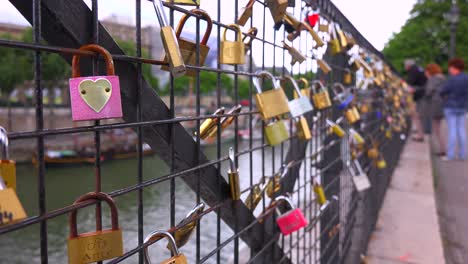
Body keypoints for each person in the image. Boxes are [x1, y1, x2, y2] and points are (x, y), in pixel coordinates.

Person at [439, 58, 468, 161]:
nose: (449, 70)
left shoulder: (452, 79)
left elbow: (442, 91)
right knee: (461, 130)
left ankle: (450, 155)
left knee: (452, 131)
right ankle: (462, 155)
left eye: (450, 67)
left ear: (454, 68)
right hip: (463, 107)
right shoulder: (466, 78)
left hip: (451, 106)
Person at [425, 64, 446, 156]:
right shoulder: (442, 78)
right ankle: (443, 148)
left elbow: (428, 91)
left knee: (436, 129)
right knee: (438, 128)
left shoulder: (433, 79)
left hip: (435, 104)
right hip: (442, 104)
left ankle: (442, 149)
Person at [405, 59, 427, 141]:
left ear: (408, 66)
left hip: (418, 95)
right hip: (422, 94)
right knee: (417, 116)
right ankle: (419, 133)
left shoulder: (413, 70)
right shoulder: (419, 69)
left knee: (416, 115)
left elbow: (410, 82)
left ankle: (420, 135)